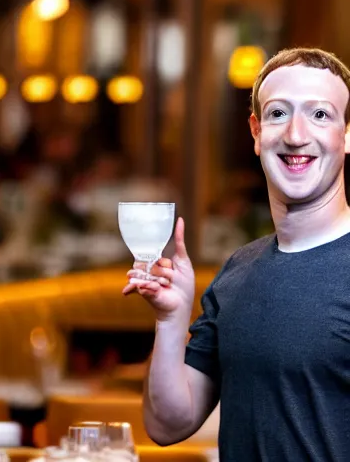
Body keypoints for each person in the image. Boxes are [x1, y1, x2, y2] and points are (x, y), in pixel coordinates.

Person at [123, 48, 350, 461]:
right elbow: (167, 425)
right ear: (255, 132)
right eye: (278, 114)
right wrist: (171, 320)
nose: (296, 135)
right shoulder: (238, 270)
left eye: (320, 115)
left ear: (347, 134)